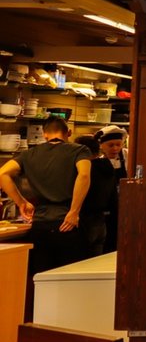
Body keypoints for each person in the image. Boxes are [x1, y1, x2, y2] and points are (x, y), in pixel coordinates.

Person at [0, 116, 91, 274]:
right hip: (67, 224)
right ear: (68, 132)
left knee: (42, 279)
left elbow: (2, 173)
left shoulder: (29, 154)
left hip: (40, 225)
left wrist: (21, 202)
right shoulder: (79, 150)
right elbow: (84, 175)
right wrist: (74, 211)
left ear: (44, 134)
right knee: (71, 279)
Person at [73, 135, 117, 257]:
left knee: (77, 265)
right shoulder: (108, 167)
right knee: (93, 264)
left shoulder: (85, 171)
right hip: (101, 222)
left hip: (84, 222)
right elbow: (113, 198)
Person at [94, 125, 128, 252]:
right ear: (101, 145)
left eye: (118, 145)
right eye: (111, 145)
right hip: (105, 207)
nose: (115, 148)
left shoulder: (127, 156)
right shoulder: (97, 160)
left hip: (123, 205)